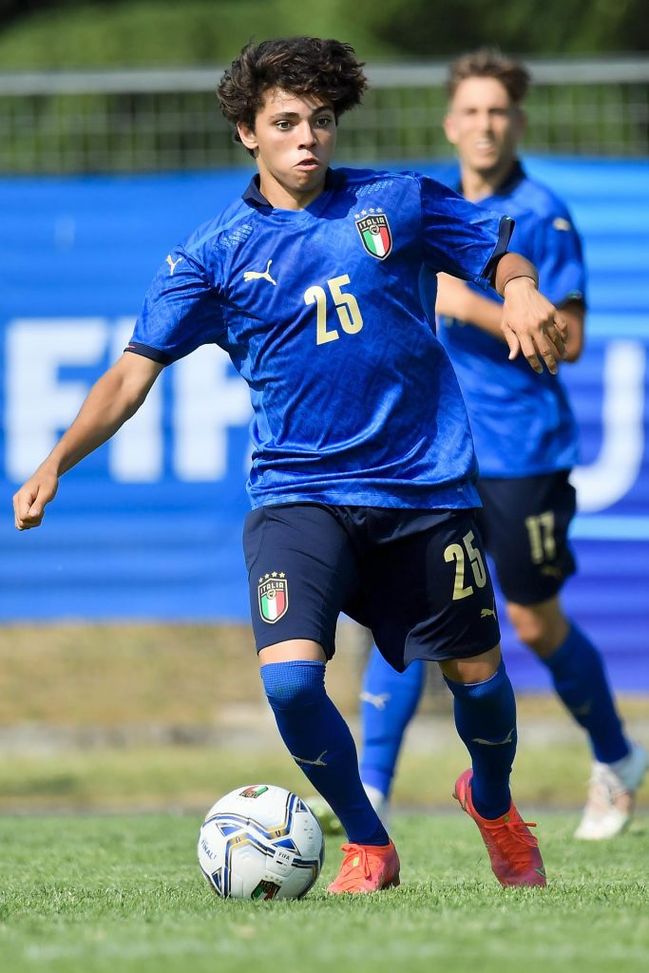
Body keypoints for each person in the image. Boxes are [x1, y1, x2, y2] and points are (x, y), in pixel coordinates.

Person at [13, 37, 568, 893]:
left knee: (480, 682)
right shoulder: (214, 254)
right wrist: (56, 461)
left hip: (422, 488)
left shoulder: (396, 203)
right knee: (291, 685)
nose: (307, 137)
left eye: (320, 121)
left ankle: (491, 802)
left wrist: (520, 287)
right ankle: (369, 842)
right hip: (298, 495)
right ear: (247, 133)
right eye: (285, 123)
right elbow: (130, 375)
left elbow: (499, 248)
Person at [358, 48, 647, 841]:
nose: (484, 125)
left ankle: (618, 758)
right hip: (427, 452)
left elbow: (572, 338)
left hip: (522, 449)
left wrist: (473, 302)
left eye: (498, 112)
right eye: (471, 111)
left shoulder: (542, 213)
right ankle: (367, 797)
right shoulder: (421, 207)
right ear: (450, 122)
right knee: (400, 615)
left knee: (529, 620)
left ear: (515, 122)